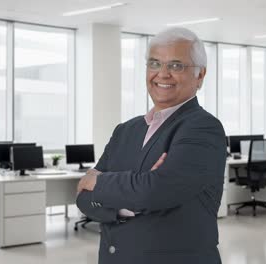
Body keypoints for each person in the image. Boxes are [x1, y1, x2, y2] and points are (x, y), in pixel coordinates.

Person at [76, 27, 227, 264]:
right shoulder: (125, 130)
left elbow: (155, 191)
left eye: (176, 66)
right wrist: (130, 200)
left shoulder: (203, 128)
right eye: (155, 63)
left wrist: (98, 181)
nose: (162, 74)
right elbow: (84, 198)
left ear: (200, 75)